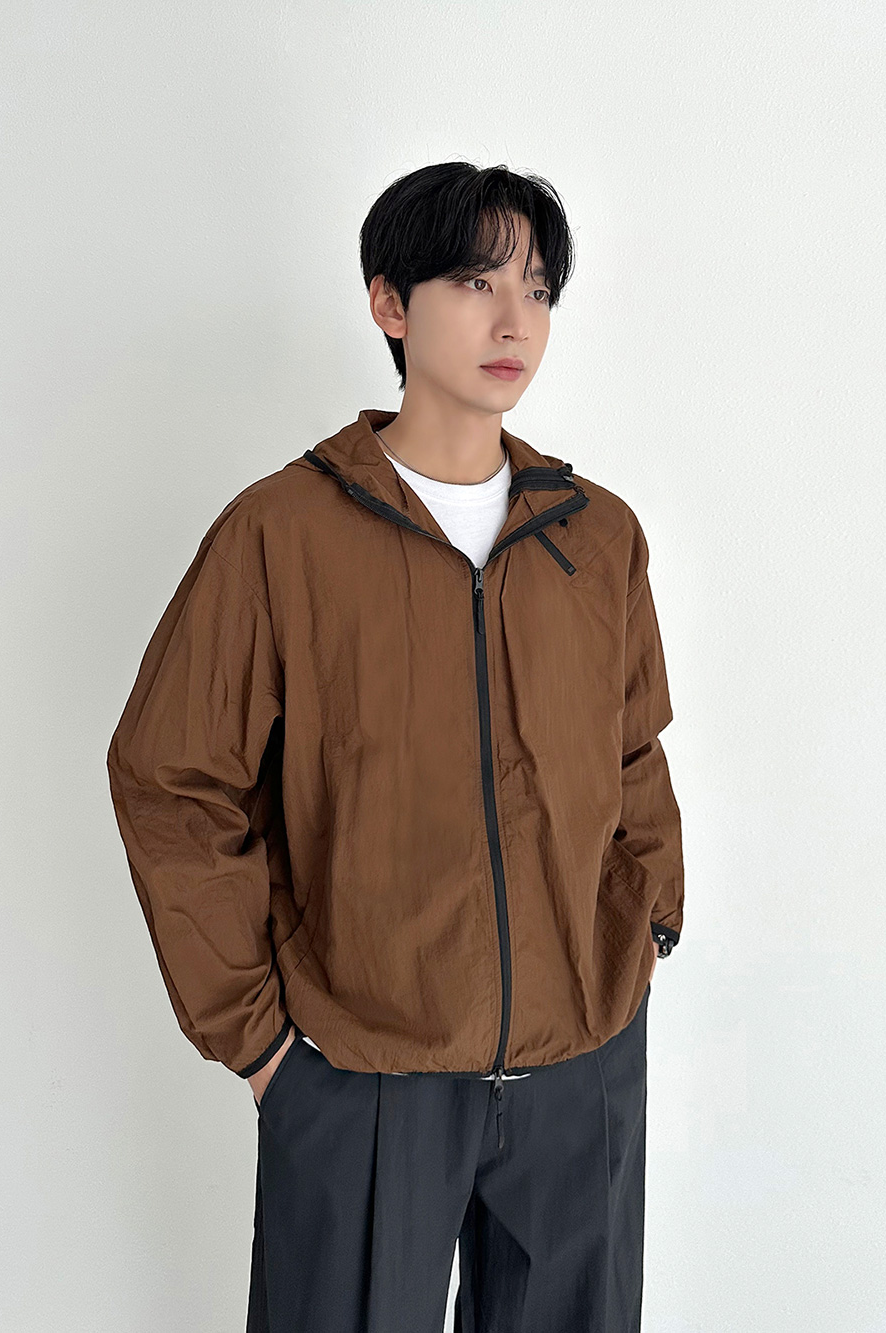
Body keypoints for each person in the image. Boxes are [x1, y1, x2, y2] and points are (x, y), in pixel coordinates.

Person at [106, 160, 684, 1333]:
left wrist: (646, 928)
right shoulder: (282, 532)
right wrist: (262, 1043)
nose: (513, 320)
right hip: (363, 1072)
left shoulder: (597, 537)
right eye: (474, 282)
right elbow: (171, 777)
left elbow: (634, 752)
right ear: (388, 302)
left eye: (536, 288)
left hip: (579, 1065)